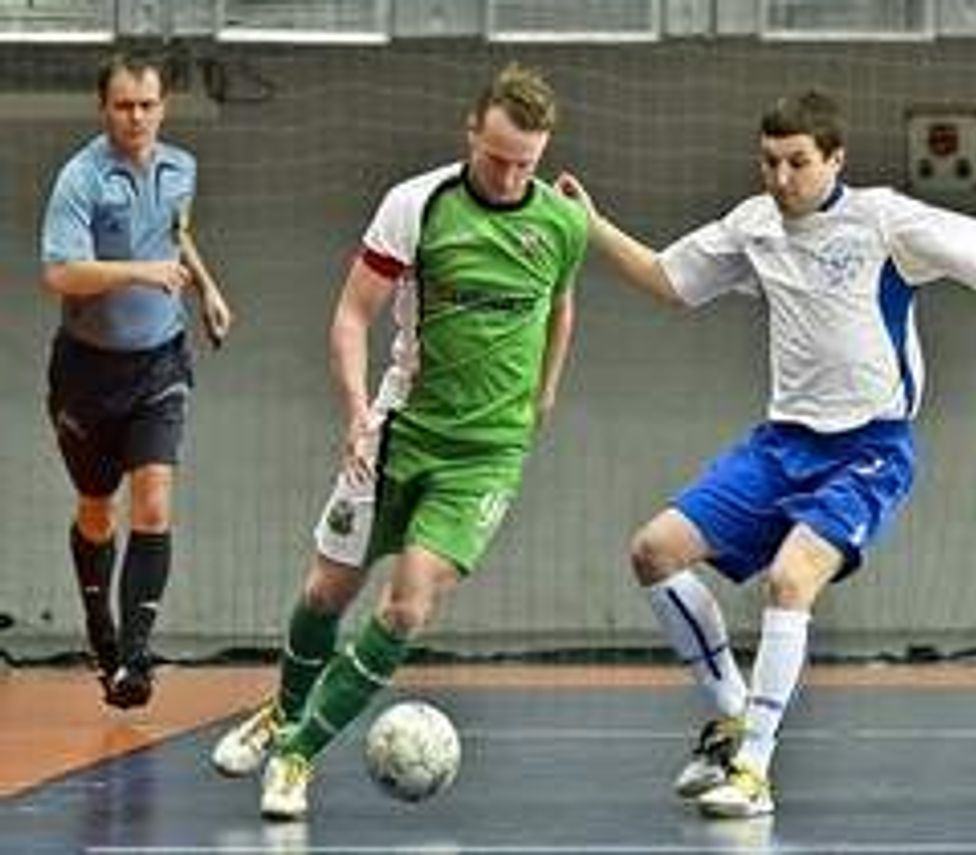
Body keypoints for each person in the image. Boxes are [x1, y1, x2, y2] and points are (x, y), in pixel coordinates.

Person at [556, 89, 976, 818]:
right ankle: (736, 717)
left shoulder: (884, 218)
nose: (782, 177)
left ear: (835, 159)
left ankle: (754, 771)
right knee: (653, 550)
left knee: (792, 580)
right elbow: (671, 282)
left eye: (798, 162)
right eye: (770, 162)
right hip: (780, 444)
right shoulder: (753, 225)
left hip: (870, 450)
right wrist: (595, 224)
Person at [210, 62, 588, 820]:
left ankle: (296, 753)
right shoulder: (417, 206)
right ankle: (283, 710)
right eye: (498, 158)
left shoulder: (560, 221)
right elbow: (353, 314)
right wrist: (355, 410)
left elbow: (561, 305)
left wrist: (545, 391)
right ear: (471, 132)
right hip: (397, 432)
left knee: (407, 608)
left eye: (527, 164)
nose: (512, 177)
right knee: (325, 592)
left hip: (484, 454)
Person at [41, 51, 233, 709]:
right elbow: (61, 274)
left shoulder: (182, 168)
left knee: (153, 501)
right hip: (88, 371)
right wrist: (137, 272)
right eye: (124, 105)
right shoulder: (81, 178)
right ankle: (102, 628)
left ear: (163, 106)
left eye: (148, 104)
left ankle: (134, 660)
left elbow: (175, 233)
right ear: (105, 108)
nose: (137, 116)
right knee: (98, 508)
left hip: (160, 360)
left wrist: (206, 288)